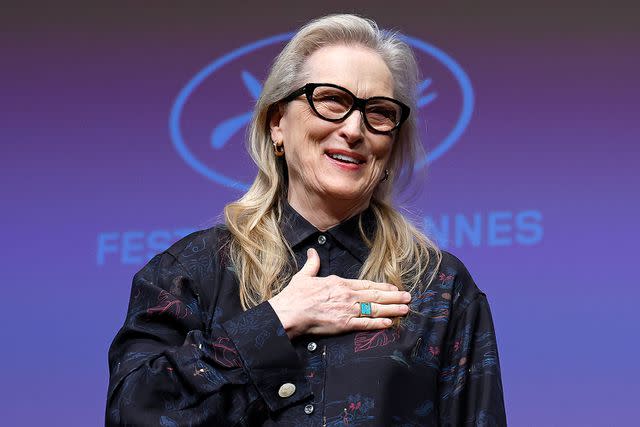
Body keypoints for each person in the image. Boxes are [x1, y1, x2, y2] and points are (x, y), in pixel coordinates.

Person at [106, 14, 506, 426]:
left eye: (380, 112)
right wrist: (272, 323)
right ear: (277, 122)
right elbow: (131, 413)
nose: (354, 129)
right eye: (332, 100)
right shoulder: (188, 272)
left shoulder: (440, 289)